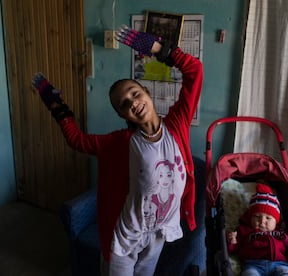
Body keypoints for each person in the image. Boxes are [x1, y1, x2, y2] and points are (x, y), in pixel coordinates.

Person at [32, 25, 203, 276]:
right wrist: (58, 108)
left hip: (157, 234)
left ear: (147, 93)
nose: (133, 102)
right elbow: (77, 140)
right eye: (125, 104)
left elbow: (194, 71)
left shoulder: (177, 125)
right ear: (122, 114)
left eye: (135, 93)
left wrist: (158, 48)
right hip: (125, 238)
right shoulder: (121, 142)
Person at [226, 182, 288, 276]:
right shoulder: (245, 230)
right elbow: (233, 249)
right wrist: (232, 241)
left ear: (276, 221)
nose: (262, 221)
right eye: (257, 216)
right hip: (253, 265)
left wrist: (287, 240)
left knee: (286, 274)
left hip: (279, 264)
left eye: (268, 218)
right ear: (250, 218)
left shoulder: (281, 233)